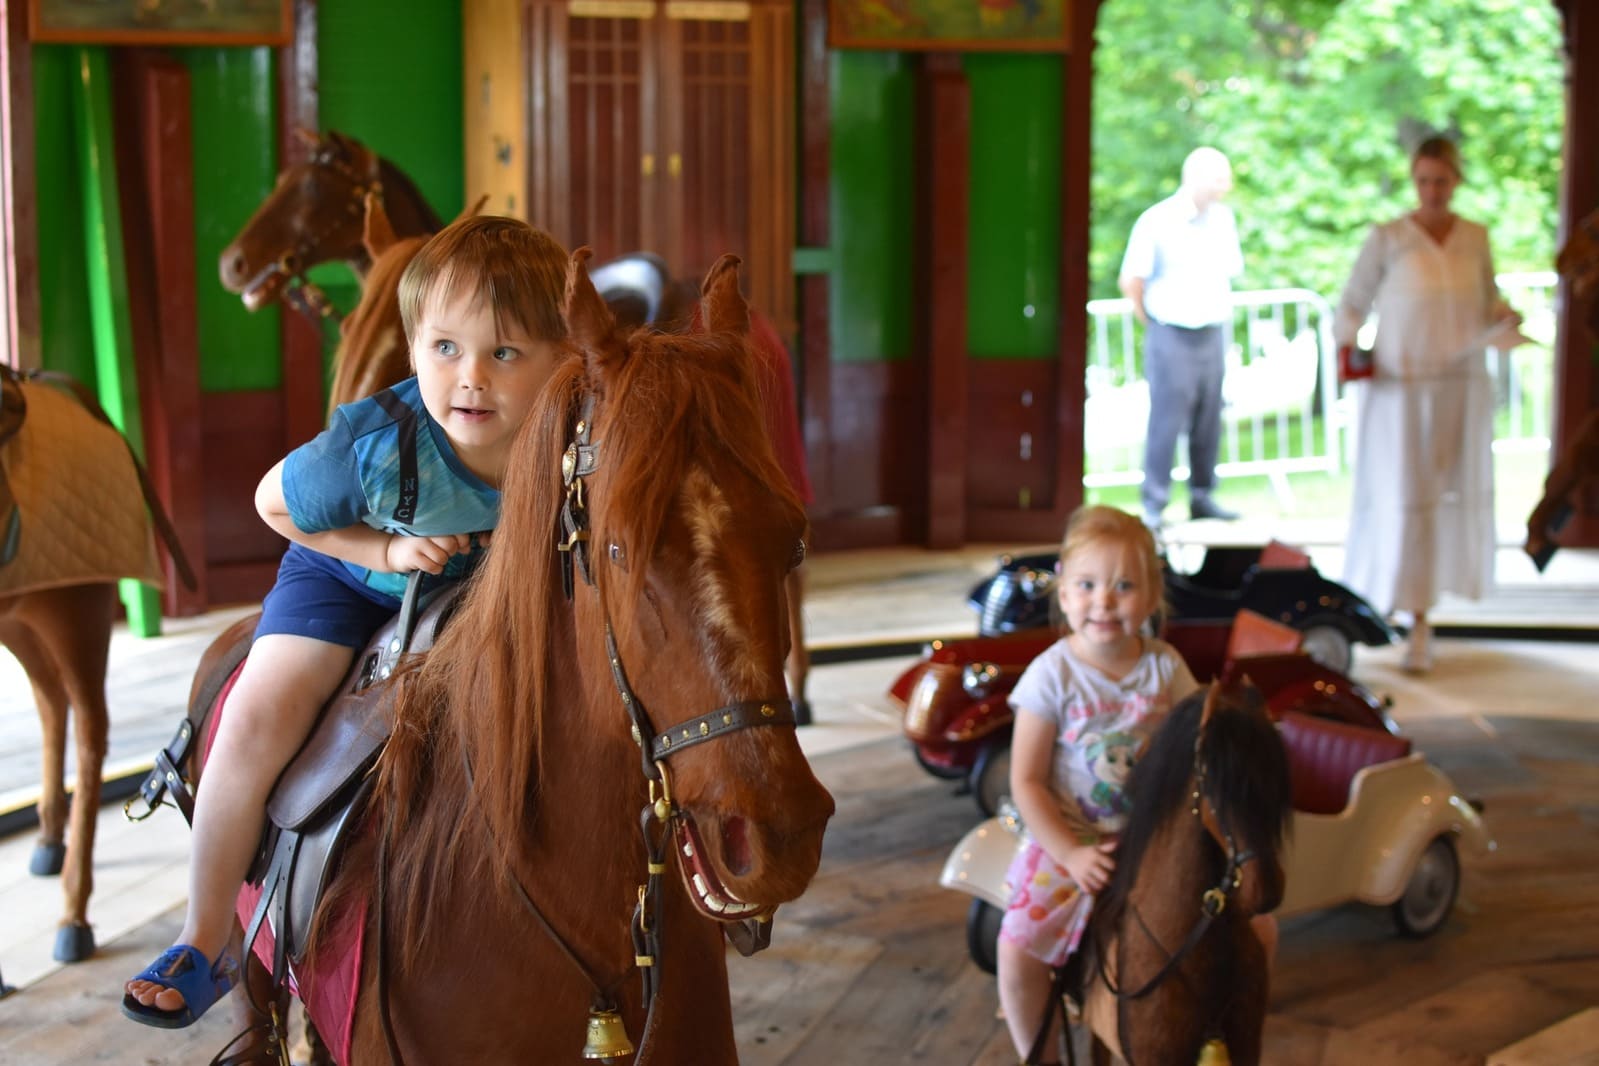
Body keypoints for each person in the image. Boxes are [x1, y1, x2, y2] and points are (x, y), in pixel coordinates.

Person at [122, 214, 569, 1027]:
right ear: (412, 349)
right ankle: (206, 933)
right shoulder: (376, 443)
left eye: (503, 353)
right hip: (344, 574)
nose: (469, 378)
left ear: (560, 358)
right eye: (444, 349)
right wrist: (386, 553)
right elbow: (271, 505)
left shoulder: (568, 435)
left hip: (478, 590)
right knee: (260, 717)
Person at [995, 505, 1200, 1061]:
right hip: (1070, 837)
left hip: (1150, 839)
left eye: (1124, 586)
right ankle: (1040, 1051)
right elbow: (1028, 781)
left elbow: (1195, 743)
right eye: (1086, 584)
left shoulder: (1166, 668)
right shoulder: (1052, 675)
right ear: (1064, 592)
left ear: (1153, 596)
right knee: (1018, 951)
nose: (1103, 601)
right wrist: (1071, 852)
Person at [1333, 136, 1517, 673]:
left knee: (1443, 494)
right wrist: (1353, 350)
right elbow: (1352, 303)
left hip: (1458, 384)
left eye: (1441, 180)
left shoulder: (1476, 238)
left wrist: (1505, 317)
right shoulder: (1389, 237)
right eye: (1423, 181)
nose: (1432, 191)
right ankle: (1394, 606)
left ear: (1456, 180)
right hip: (1401, 388)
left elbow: (1487, 299)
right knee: (1404, 493)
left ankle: (1425, 617)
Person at [1119, 146, 1245, 530]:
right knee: (1167, 420)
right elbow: (1132, 280)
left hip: (1211, 331)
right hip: (1170, 332)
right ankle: (1154, 502)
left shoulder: (1223, 220)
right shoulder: (1157, 221)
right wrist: (1154, 323)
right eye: (1219, 178)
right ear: (1197, 177)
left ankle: (1202, 494)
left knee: (1209, 417)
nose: (1225, 186)